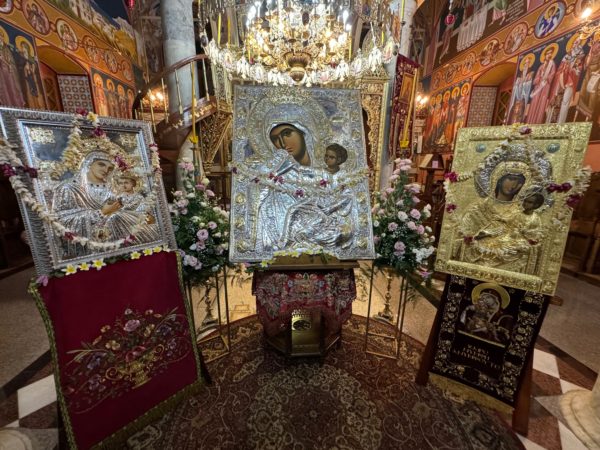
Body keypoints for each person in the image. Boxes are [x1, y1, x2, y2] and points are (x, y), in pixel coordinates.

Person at [52, 149, 158, 257]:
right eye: (101, 164)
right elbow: (60, 222)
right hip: (90, 251)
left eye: (110, 168)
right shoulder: (69, 188)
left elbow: (133, 210)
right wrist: (101, 213)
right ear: (88, 164)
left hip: (122, 245)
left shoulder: (115, 189)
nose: (106, 170)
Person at [527, 46, 557, 124]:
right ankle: (530, 122)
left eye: (550, 53)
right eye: (547, 54)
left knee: (542, 104)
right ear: (545, 55)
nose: (549, 55)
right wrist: (540, 78)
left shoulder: (552, 64)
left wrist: (546, 79)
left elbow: (552, 74)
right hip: (538, 87)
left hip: (545, 86)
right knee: (534, 103)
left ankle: (538, 122)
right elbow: (536, 79)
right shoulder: (541, 66)